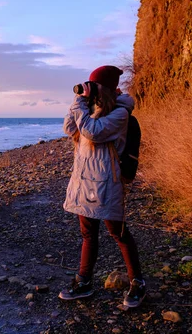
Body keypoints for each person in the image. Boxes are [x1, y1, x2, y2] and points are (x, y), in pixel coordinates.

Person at [58, 65, 146, 308]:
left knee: (118, 233)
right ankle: (84, 282)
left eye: (94, 87)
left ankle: (138, 282)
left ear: (104, 89)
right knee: (88, 234)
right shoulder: (90, 110)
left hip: (107, 184)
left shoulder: (120, 114)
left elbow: (93, 132)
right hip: (84, 182)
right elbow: (70, 128)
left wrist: (81, 106)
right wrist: (79, 100)